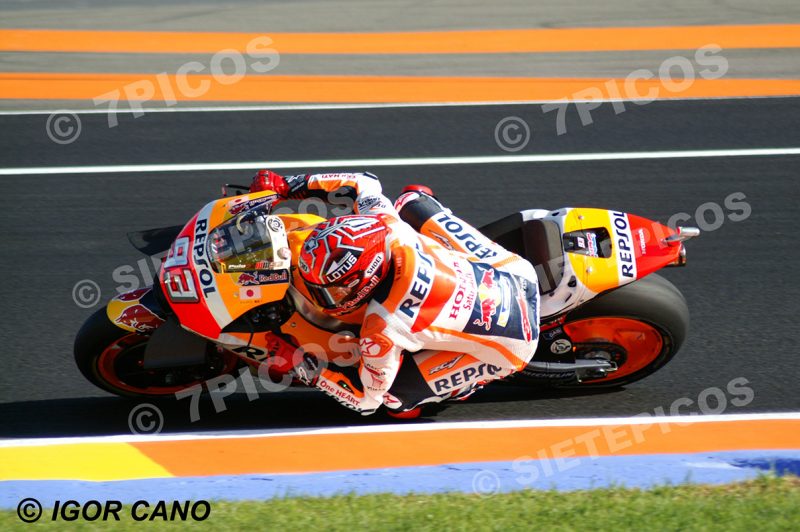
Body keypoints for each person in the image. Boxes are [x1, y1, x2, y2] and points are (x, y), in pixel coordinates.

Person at [250, 170, 540, 415]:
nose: (322, 297)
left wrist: (303, 366)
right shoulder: (385, 223)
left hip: (515, 344)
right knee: (410, 201)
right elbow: (363, 182)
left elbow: (366, 401)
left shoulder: (382, 326)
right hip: (515, 271)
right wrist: (288, 185)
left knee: (396, 401)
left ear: (368, 278)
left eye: (334, 291)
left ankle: (464, 386)